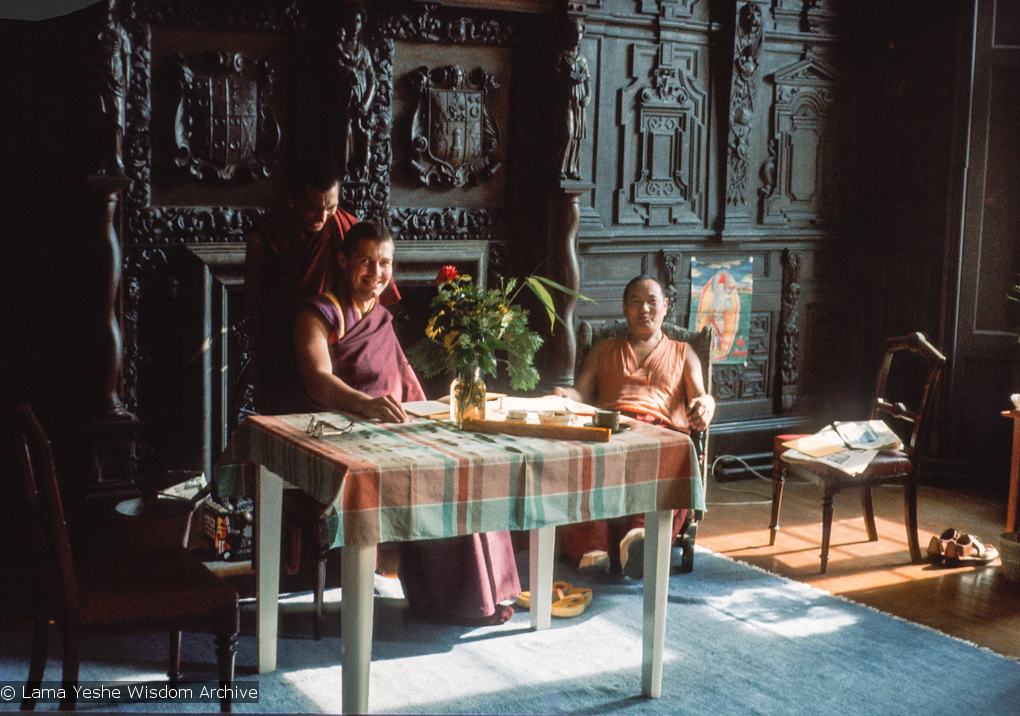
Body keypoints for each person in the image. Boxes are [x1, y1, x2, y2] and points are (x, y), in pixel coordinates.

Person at [293, 220, 521, 625]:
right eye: (366, 262)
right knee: (438, 478)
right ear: (344, 262)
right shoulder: (318, 313)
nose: (377, 274)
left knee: (465, 464)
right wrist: (367, 406)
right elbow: (318, 379)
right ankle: (457, 598)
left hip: (391, 424)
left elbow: (402, 375)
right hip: (349, 430)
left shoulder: (378, 314)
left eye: (385, 264)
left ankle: (483, 595)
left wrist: (430, 418)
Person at [554, 275, 715, 578]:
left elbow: (702, 397)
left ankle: (640, 540)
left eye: (652, 302)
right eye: (635, 303)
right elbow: (581, 394)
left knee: (678, 455)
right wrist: (564, 395)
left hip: (660, 436)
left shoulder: (684, 352)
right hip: (611, 431)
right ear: (625, 310)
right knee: (575, 457)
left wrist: (706, 407)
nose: (644, 309)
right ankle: (594, 549)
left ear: (665, 307)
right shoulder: (603, 349)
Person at [245, 165, 398, 415]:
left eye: (331, 207)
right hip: (286, 348)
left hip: (337, 351)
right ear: (291, 200)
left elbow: (371, 296)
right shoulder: (267, 238)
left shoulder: (345, 225)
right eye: (313, 208)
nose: (323, 217)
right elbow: (257, 311)